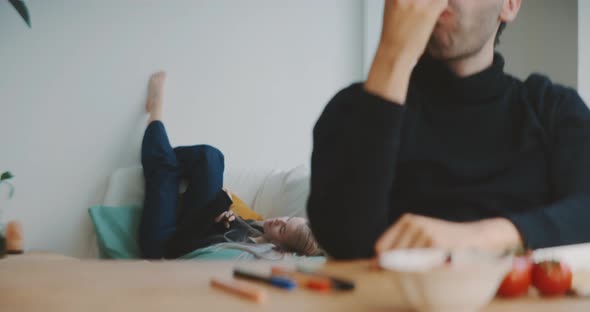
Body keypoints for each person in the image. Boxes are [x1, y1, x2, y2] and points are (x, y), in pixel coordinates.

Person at [307, 0, 590, 260]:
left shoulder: (553, 109)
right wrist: (392, 52)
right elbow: (343, 239)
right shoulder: (354, 109)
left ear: (510, 5)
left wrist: (482, 236)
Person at [139, 72, 321, 260]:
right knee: (210, 157)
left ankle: (155, 112)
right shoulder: (258, 227)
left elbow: (182, 245)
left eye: (282, 229)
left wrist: (219, 205)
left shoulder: (250, 252)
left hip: (165, 245)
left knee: (164, 170)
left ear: (281, 248)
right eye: (288, 219)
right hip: (193, 222)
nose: (278, 220)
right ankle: (161, 156)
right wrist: (223, 218)